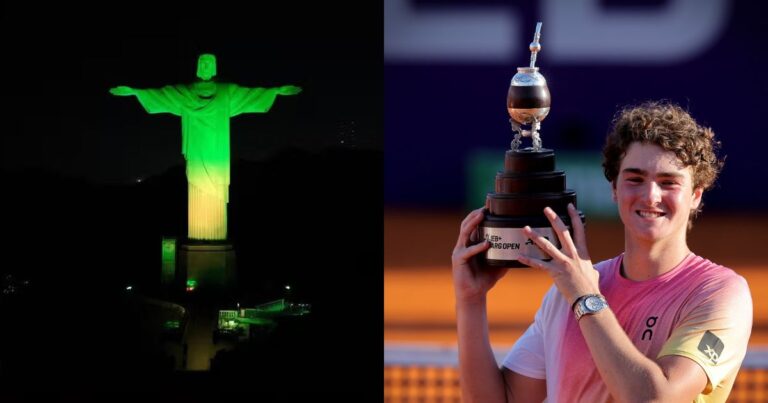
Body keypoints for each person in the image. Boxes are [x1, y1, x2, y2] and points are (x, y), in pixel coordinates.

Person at [452, 101, 752, 402]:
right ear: (614, 189)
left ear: (696, 195)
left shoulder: (719, 294)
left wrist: (584, 296)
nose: (650, 196)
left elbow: (655, 398)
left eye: (668, 182)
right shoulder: (565, 291)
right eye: (635, 179)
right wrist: (470, 300)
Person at [110, 53, 301, 241]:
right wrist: (136, 92)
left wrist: (274, 92)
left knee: (215, 194)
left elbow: (251, 94)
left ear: (215, 67)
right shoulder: (186, 92)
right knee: (197, 189)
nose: (206, 67)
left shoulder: (227, 92)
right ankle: (199, 239)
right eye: (203, 63)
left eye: (210, 63)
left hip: (217, 153)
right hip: (196, 150)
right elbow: (162, 94)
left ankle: (214, 240)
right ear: (198, 66)